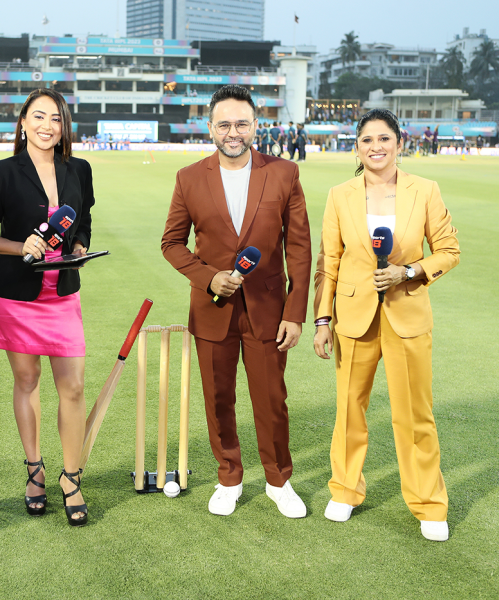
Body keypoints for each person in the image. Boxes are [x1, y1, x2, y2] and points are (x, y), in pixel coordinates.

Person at [161, 85, 312, 518]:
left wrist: (294, 313)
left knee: (271, 400)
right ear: (211, 128)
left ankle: (278, 480)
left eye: (242, 124)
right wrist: (210, 278)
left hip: (268, 311)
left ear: (255, 127)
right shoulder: (189, 177)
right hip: (213, 311)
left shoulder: (284, 173)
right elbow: (172, 243)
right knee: (217, 399)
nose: (233, 132)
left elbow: (298, 249)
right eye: (224, 124)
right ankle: (229, 476)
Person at [312, 108, 460, 542]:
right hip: (353, 318)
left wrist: (410, 271)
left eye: (384, 139)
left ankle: (429, 504)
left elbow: (448, 250)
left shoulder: (426, 191)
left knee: (415, 415)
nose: (375, 147)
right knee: (348, 410)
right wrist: (322, 318)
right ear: (356, 147)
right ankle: (344, 489)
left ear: (400, 143)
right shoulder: (340, 195)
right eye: (367, 140)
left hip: (407, 315)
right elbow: (329, 262)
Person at [0, 88, 94, 527]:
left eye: (56, 119)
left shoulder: (78, 168)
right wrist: (20, 245)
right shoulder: (2, 172)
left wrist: (80, 244)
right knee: (27, 381)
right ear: (23, 122)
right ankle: (35, 470)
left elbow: (84, 221)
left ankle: (72, 477)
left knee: (74, 387)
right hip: (15, 296)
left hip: (62, 293)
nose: (47, 126)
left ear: (64, 127)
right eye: (38, 116)